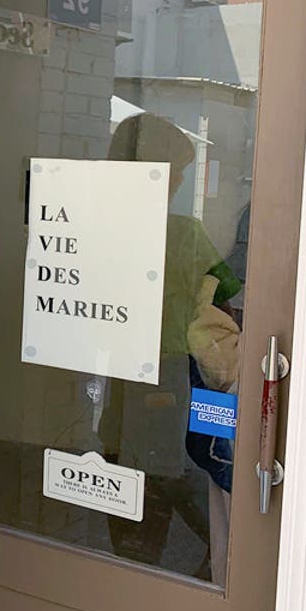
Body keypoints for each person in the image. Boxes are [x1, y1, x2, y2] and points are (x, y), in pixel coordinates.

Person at [99, 113, 240, 578]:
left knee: (124, 457)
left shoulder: (98, 224)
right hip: (171, 368)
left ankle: (133, 561)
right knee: (169, 468)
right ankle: (201, 559)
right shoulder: (183, 234)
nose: (178, 181)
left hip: (119, 367)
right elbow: (225, 294)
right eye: (174, 170)